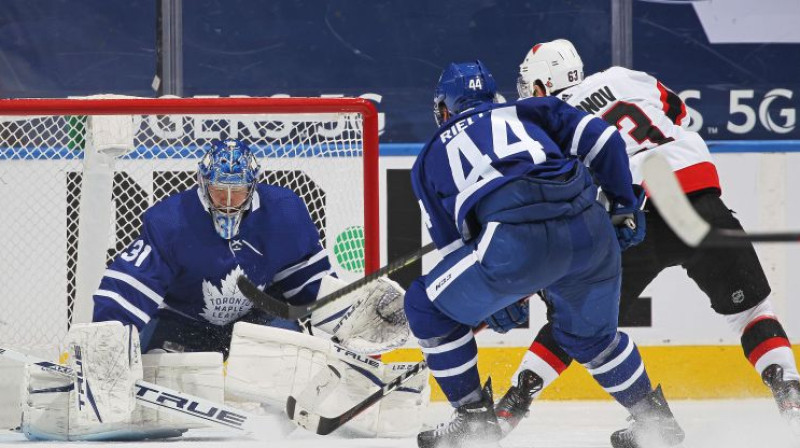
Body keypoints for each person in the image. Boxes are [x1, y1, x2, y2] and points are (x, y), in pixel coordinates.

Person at [497, 38, 800, 444]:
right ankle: (790, 394)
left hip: (630, 217)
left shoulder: (546, 120)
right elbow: (677, 112)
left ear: (540, 86)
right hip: (697, 196)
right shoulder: (623, 77)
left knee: (577, 324)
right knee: (752, 311)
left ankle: (511, 406)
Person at [21, 138, 423, 441]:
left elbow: (307, 293)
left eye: (238, 192)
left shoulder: (286, 213)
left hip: (254, 324)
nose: (229, 203)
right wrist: (108, 346)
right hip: (180, 325)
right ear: (202, 185)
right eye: (219, 192)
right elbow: (123, 289)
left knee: (297, 357)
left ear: (254, 187)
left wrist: (345, 321)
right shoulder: (171, 221)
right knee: (134, 348)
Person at [403, 60, 683, 448]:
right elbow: (605, 141)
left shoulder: (428, 158)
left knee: (425, 305)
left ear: (445, 108)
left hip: (514, 239)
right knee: (592, 340)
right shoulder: (527, 109)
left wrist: (496, 299)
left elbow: (458, 252)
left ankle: (472, 419)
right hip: (590, 229)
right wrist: (622, 204)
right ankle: (655, 423)